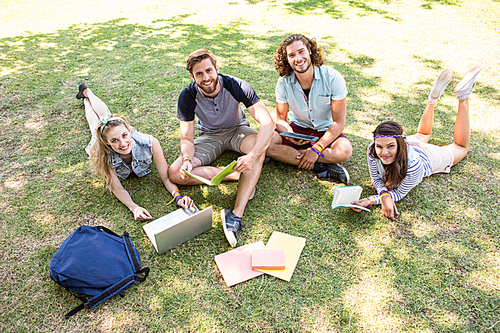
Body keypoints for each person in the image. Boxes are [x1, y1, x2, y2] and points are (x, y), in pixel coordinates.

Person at [167, 49, 274, 247]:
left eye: (209, 70)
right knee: (175, 173)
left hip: (238, 131)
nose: (205, 77)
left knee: (259, 150)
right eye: (199, 74)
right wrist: (187, 160)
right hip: (209, 136)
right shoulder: (187, 96)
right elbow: (187, 139)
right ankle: (236, 176)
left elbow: (267, 123)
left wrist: (251, 155)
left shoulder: (236, 85)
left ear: (217, 69)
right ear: (192, 76)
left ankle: (234, 215)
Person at [351, 65, 482, 220]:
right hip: (409, 144)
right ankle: (432, 99)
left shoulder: (413, 166)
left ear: (400, 145)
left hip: (428, 158)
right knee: (423, 134)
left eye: (390, 146)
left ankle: (463, 97)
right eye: (380, 146)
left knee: (461, 147)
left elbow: (399, 193)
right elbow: (376, 179)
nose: (383, 152)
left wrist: (373, 199)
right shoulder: (373, 150)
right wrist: (383, 195)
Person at [77, 83, 194, 221]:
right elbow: (117, 188)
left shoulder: (149, 143)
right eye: (114, 140)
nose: (122, 144)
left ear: (129, 130)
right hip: (101, 139)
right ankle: (86, 98)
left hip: (123, 132)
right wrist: (134, 207)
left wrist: (178, 197)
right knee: (95, 124)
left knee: (106, 116)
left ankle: (87, 92)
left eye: (125, 135)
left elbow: (166, 177)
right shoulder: (103, 154)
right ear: (107, 142)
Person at [265, 34, 352, 184]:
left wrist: (317, 148)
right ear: (287, 59)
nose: (298, 59)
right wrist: (290, 134)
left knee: (345, 151)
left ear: (310, 50)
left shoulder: (332, 78)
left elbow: (339, 122)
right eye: (291, 55)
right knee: (265, 142)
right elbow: (280, 119)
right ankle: (320, 166)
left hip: (325, 130)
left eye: (301, 52)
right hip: (298, 129)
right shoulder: (283, 82)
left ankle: (286, 156)